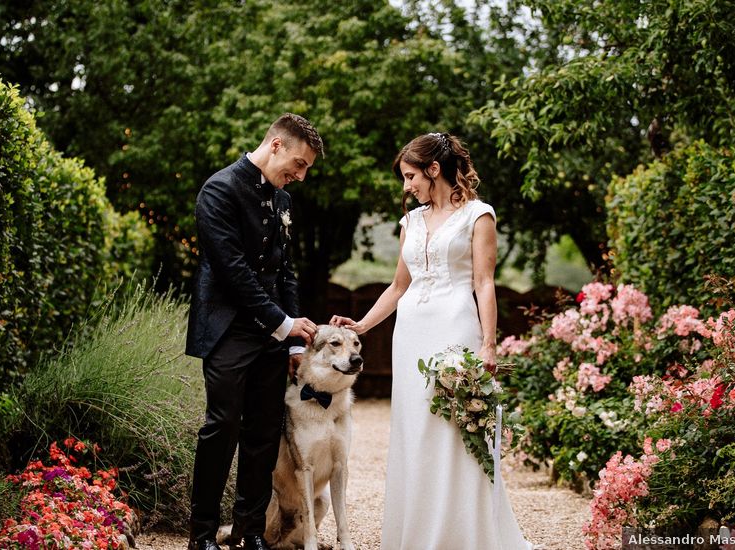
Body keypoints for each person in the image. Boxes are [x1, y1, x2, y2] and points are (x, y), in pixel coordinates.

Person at [330, 132, 530, 549]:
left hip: (455, 329)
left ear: (433, 169)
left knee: (455, 431)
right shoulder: (411, 222)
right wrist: (362, 326)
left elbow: (484, 282)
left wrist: (488, 345)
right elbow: (398, 286)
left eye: (410, 176)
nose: (407, 187)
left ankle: (462, 535)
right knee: (416, 431)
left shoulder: (479, 215)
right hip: (412, 335)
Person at [185, 113, 324, 550]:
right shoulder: (219, 190)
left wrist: (292, 341)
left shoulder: (282, 201)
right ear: (277, 145)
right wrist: (283, 323)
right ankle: (201, 535)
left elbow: (286, 274)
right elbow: (233, 273)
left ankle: (250, 534)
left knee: (263, 433)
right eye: (299, 164)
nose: (299, 176)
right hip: (228, 330)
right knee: (221, 427)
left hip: (273, 338)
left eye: (306, 169)